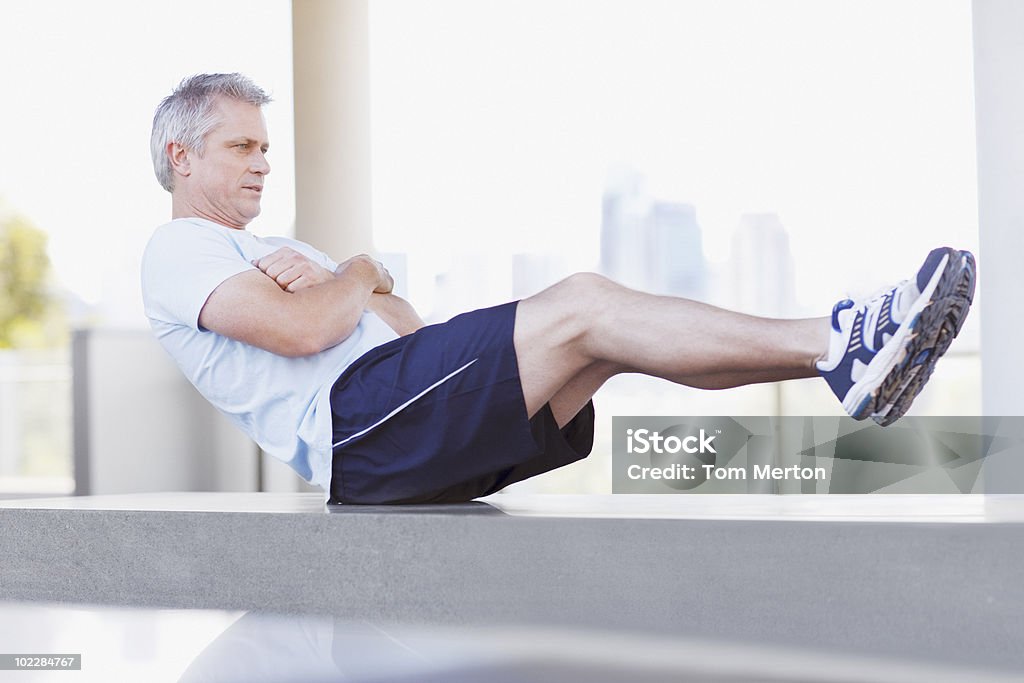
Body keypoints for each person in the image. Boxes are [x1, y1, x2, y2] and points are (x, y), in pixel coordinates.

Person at [141, 73, 976, 505]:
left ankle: (839, 361)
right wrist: (355, 272)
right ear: (182, 156)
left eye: (264, 148)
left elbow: (403, 326)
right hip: (359, 431)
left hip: (394, 404)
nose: (261, 162)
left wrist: (349, 283)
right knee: (581, 300)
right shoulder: (179, 249)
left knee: (600, 341)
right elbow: (303, 334)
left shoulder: (273, 247)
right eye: (242, 146)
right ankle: (839, 339)